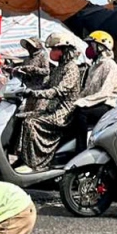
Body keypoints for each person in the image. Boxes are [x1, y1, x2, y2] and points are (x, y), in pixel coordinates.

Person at [15, 31, 85, 172]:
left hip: (63, 111)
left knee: (30, 123)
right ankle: (22, 157)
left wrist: (35, 93)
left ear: (64, 50)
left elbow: (58, 91)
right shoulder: (59, 67)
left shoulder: (72, 69)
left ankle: (36, 163)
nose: (52, 52)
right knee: (20, 118)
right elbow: (47, 84)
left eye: (55, 49)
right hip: (51, 107)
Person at [71, 30, 117, 134]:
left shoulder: (109, 65)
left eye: (92, 45)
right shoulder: (94, 66)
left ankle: (81, 148)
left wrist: (84, 102)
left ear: (101, 47)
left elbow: (105, 93)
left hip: (108, 104)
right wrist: (76, 100)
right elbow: (87, 90)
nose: (89, 48)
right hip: (96, 102)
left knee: (81, 114)